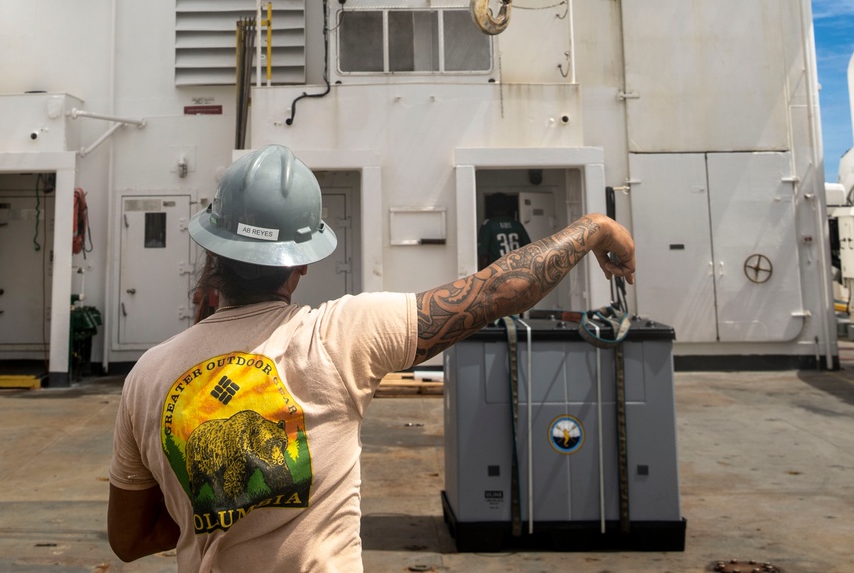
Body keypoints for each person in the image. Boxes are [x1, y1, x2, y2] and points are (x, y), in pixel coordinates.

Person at [108, 145, 634, 571]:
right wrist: (593, 227)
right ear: (301, 266)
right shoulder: (339, 337)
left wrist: (220, 507)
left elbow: (128, 539)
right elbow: (498, 291)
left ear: (212, 251)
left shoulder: (147, 377)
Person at [477, 190, 532, 268]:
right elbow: (528, 249)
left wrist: (483, 275)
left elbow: (483, 254)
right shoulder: (516, 224)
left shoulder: (489, 225)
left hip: (498, 270)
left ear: (491, 207)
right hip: (516, 267)